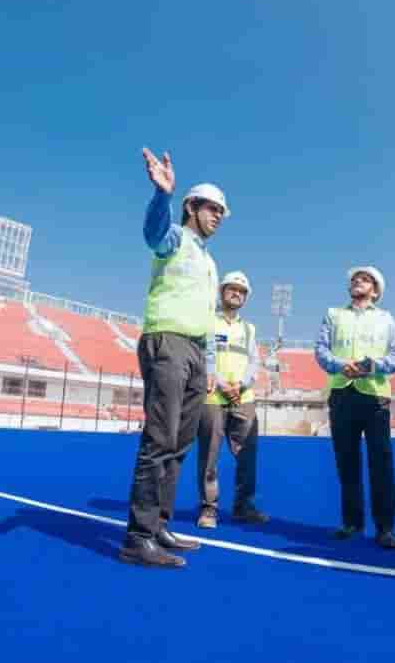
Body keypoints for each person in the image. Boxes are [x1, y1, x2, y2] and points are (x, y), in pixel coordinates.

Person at [119, 147, 226, 569]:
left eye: (221, 211)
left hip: (198, 352)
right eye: (211, 208)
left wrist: (211, 365)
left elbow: (208, 316)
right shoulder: (175, 238)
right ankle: (137, 536)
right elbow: (153, 233)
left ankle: (160, 524)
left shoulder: (210, 260)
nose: (217, 215)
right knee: (160, 438)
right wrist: (161, 195)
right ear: (191, 207)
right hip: (167, 342)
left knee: (180, 443)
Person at [313, 266, 395, 549]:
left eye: (365, 279)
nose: (358, 281)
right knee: (347, 462)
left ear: (375, 290)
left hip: (375, 395)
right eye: (355, 279)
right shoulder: (333, 314)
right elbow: (320, 350)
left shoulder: (386, 319)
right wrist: (342, 366)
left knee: (381, 463)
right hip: (342, 393)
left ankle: (385, 528)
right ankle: (351, 522)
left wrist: (372, 366)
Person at [195, 271, 269, 528]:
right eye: (232, 288)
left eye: (241, 291)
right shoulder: (207, 322)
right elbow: (203, 355)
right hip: (213, 397)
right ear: (222, 292)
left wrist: (241, 384)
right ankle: (208, 509)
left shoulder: (249, 329)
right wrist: (219, 381)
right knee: (210, 456)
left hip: (243, 397)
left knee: (247, 456)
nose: (237, 293)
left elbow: (254, 362)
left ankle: (243, 506)